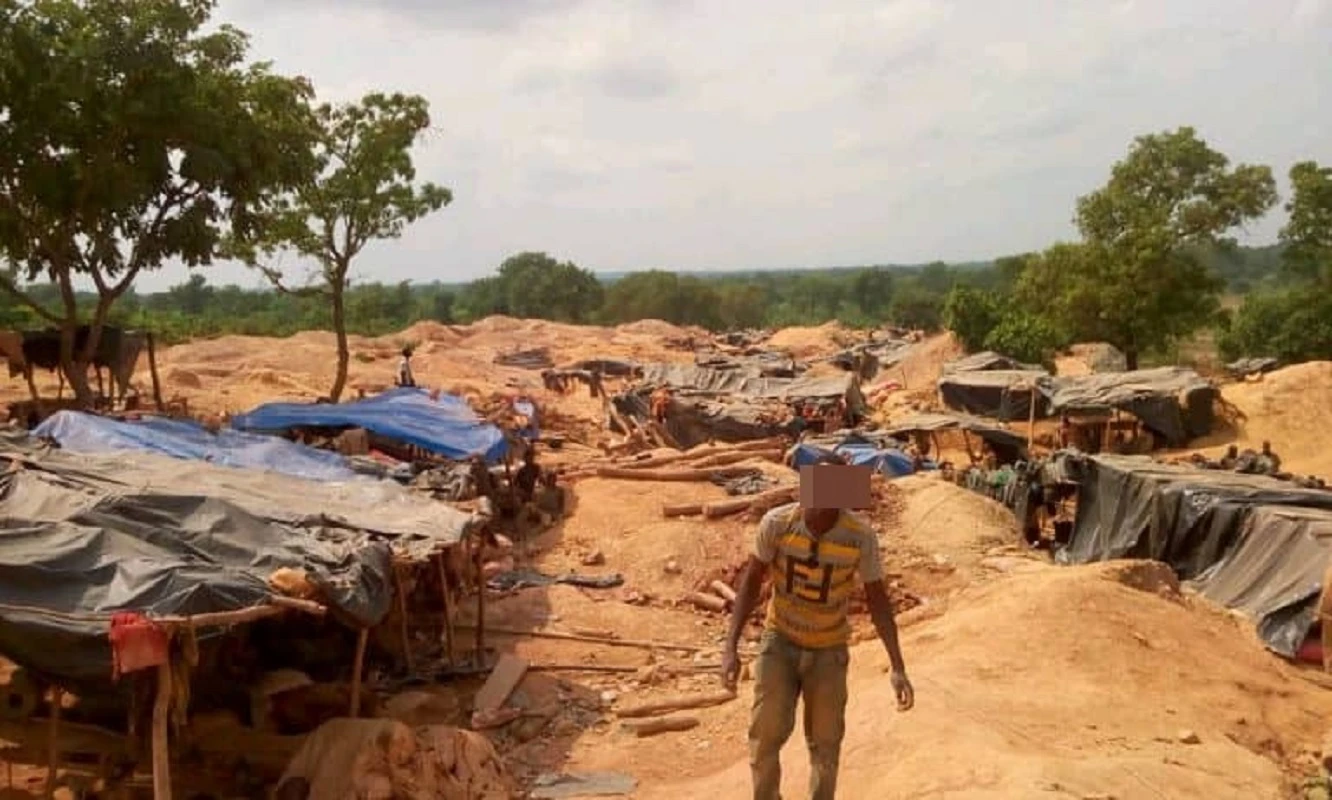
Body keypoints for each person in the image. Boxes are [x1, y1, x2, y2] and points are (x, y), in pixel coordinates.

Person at [722, 466, 913, 800]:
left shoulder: (859, 537)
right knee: (764, 736)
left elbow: (878, 602)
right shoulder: (778, 524)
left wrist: (898, 667)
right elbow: (752, 583)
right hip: (779, 641)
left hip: (828, 650)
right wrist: (730, 648)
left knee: (826, 746)